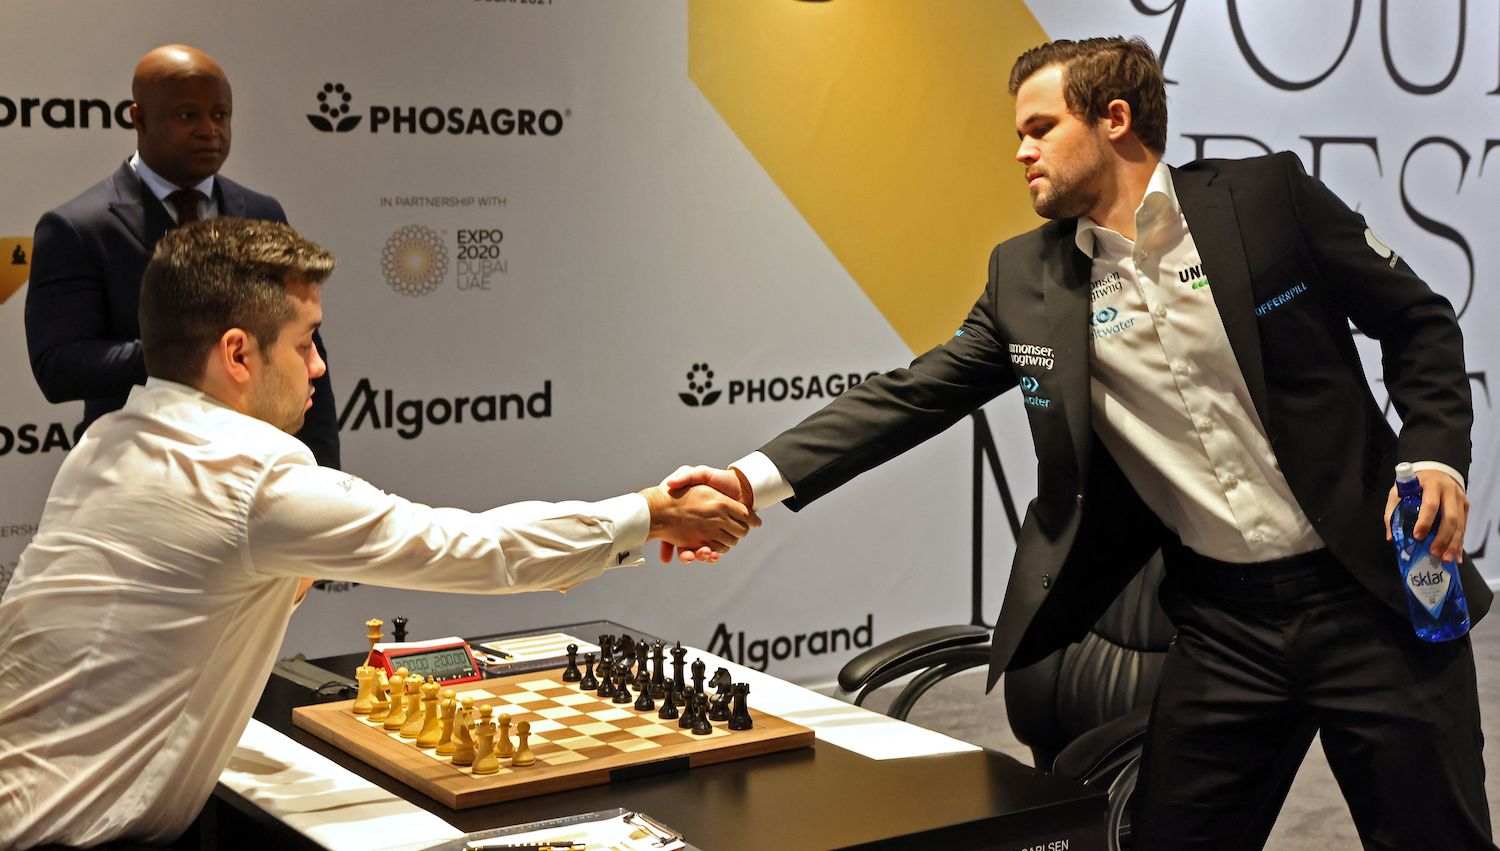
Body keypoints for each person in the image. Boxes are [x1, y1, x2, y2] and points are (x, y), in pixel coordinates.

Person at [670, 37, 1494, 850]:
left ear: (1115, 119)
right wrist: (750, 479)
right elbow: (911, 397)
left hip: (1370, 593)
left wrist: (1431, 452)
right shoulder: (1027, 281)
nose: (1021, 151)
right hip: (1224, 623)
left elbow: (1416, 319)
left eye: (1038, 129)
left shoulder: (1266, 198)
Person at [0, 218, 757, 848]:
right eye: (304, 343)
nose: (320, 367)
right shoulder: (251, 476)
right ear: (237, 353)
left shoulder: (108, 442)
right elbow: (469, 547)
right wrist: (649, 513)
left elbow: (212, 582)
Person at [24, 44, 340, 468]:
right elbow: (58, 367)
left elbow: (302, 348)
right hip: (138, 465)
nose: (209, 130)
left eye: (220, 115)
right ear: (138, 118)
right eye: (188, 115)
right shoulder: (78, 227)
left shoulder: (263, 212)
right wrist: (192, 349)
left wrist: (323, 474)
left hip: (258, 462)